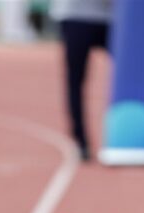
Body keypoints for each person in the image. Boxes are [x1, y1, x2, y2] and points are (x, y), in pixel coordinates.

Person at [50, 0, 113, 161]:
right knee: (75, 80)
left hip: (113, 17)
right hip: (76, 15)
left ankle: (132, 132)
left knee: (133, 74)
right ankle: (80, 141)